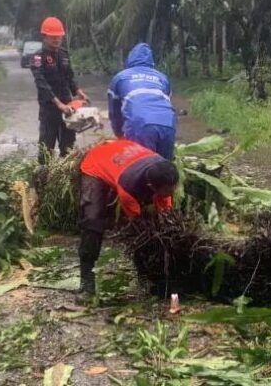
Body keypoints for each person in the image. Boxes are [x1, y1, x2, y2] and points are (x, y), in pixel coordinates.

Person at [78, 139, 180, 295]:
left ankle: (150, 278)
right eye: (167, 191)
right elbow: (138, 226)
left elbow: (165, 215)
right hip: (97, 162)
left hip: (122, 152)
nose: (171, 193)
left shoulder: (165, 172)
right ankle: (86, 281)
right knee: (93, 220)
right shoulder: (129, 187)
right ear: (151, 186)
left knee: (159, 224)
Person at [31, 17, 88, 164]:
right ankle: (43, 181)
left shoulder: (64, 54)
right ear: (45, 36)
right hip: (49, 110)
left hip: (68, 108)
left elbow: (70, 76)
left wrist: (78, 91)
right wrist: (58, 104)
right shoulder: (38, 57)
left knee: (68, 149)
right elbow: (41, 84)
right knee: (46, 150)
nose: (57, 40)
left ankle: (64, 179)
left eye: (59, 37)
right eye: (53, 37)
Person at [108, 43, 177, 159]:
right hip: (168, 124)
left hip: (140, 124)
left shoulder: (120, 77)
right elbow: (166, 105)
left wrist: (119, 135)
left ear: (130, 59)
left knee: (140, 168)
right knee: (165, 169)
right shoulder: (162, 78)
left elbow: (114, 114)